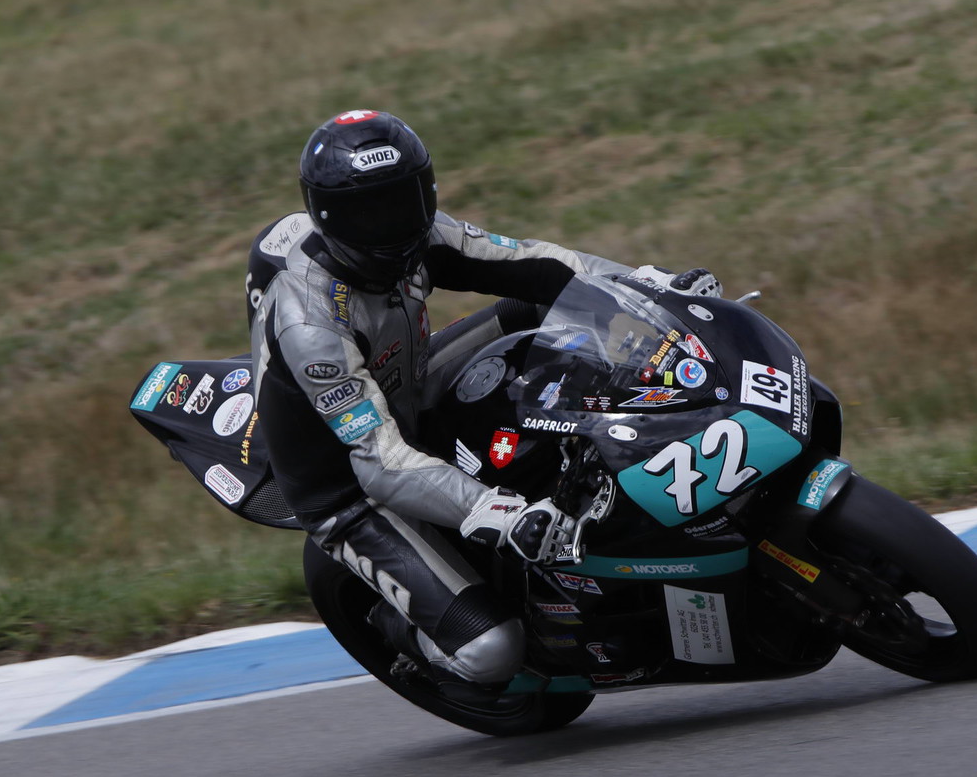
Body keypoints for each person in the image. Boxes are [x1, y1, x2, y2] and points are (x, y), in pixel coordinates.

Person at [246, 109, 721, 698]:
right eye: (370, 213)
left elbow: (542, 265)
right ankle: (407, 639)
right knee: (492, 651)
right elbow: (380, 462)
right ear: (331, 220)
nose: (393, 226)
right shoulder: (312, 326)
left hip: (407, 385)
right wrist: (501, 514)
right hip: (350, 483)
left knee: (543, 308)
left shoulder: (425, 235)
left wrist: (650, 286)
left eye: (403, 201)